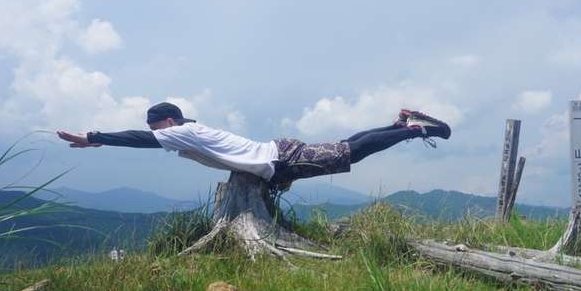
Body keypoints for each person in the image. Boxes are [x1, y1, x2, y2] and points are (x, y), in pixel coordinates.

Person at [56, 102, 451, 189]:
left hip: (280, 159)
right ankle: (397, 124)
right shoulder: (190, 131)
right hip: (278, 154)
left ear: (169, 122)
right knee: (347, 146)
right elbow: (146, 137)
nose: (154, 131)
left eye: (156, 125)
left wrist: (95, 138)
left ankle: (415, 131)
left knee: (352, 151)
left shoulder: (181, 132)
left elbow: (141, 140)